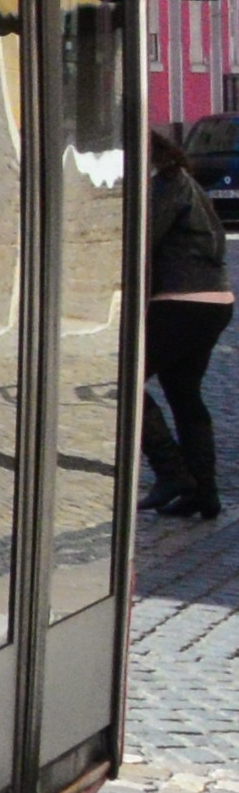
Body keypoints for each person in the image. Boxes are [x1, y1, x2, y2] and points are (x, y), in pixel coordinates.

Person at [144, 125, 231, 519]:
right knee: (185, 395)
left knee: (122, 383)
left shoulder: (166, 184)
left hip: (181, 301)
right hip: (214, 301)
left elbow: (142, 240)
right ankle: (205, 494)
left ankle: (172, 473)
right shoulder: (186, 182)